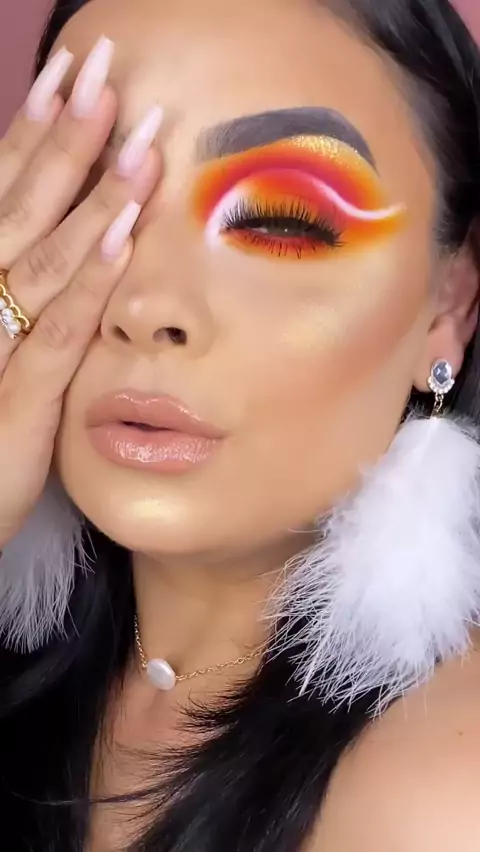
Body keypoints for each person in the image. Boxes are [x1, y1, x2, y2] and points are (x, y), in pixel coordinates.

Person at [1, 0, 480, 848]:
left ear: (451, 303)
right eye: (86, 203)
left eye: (279, 220)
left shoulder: (444, 790)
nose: (146, 307)